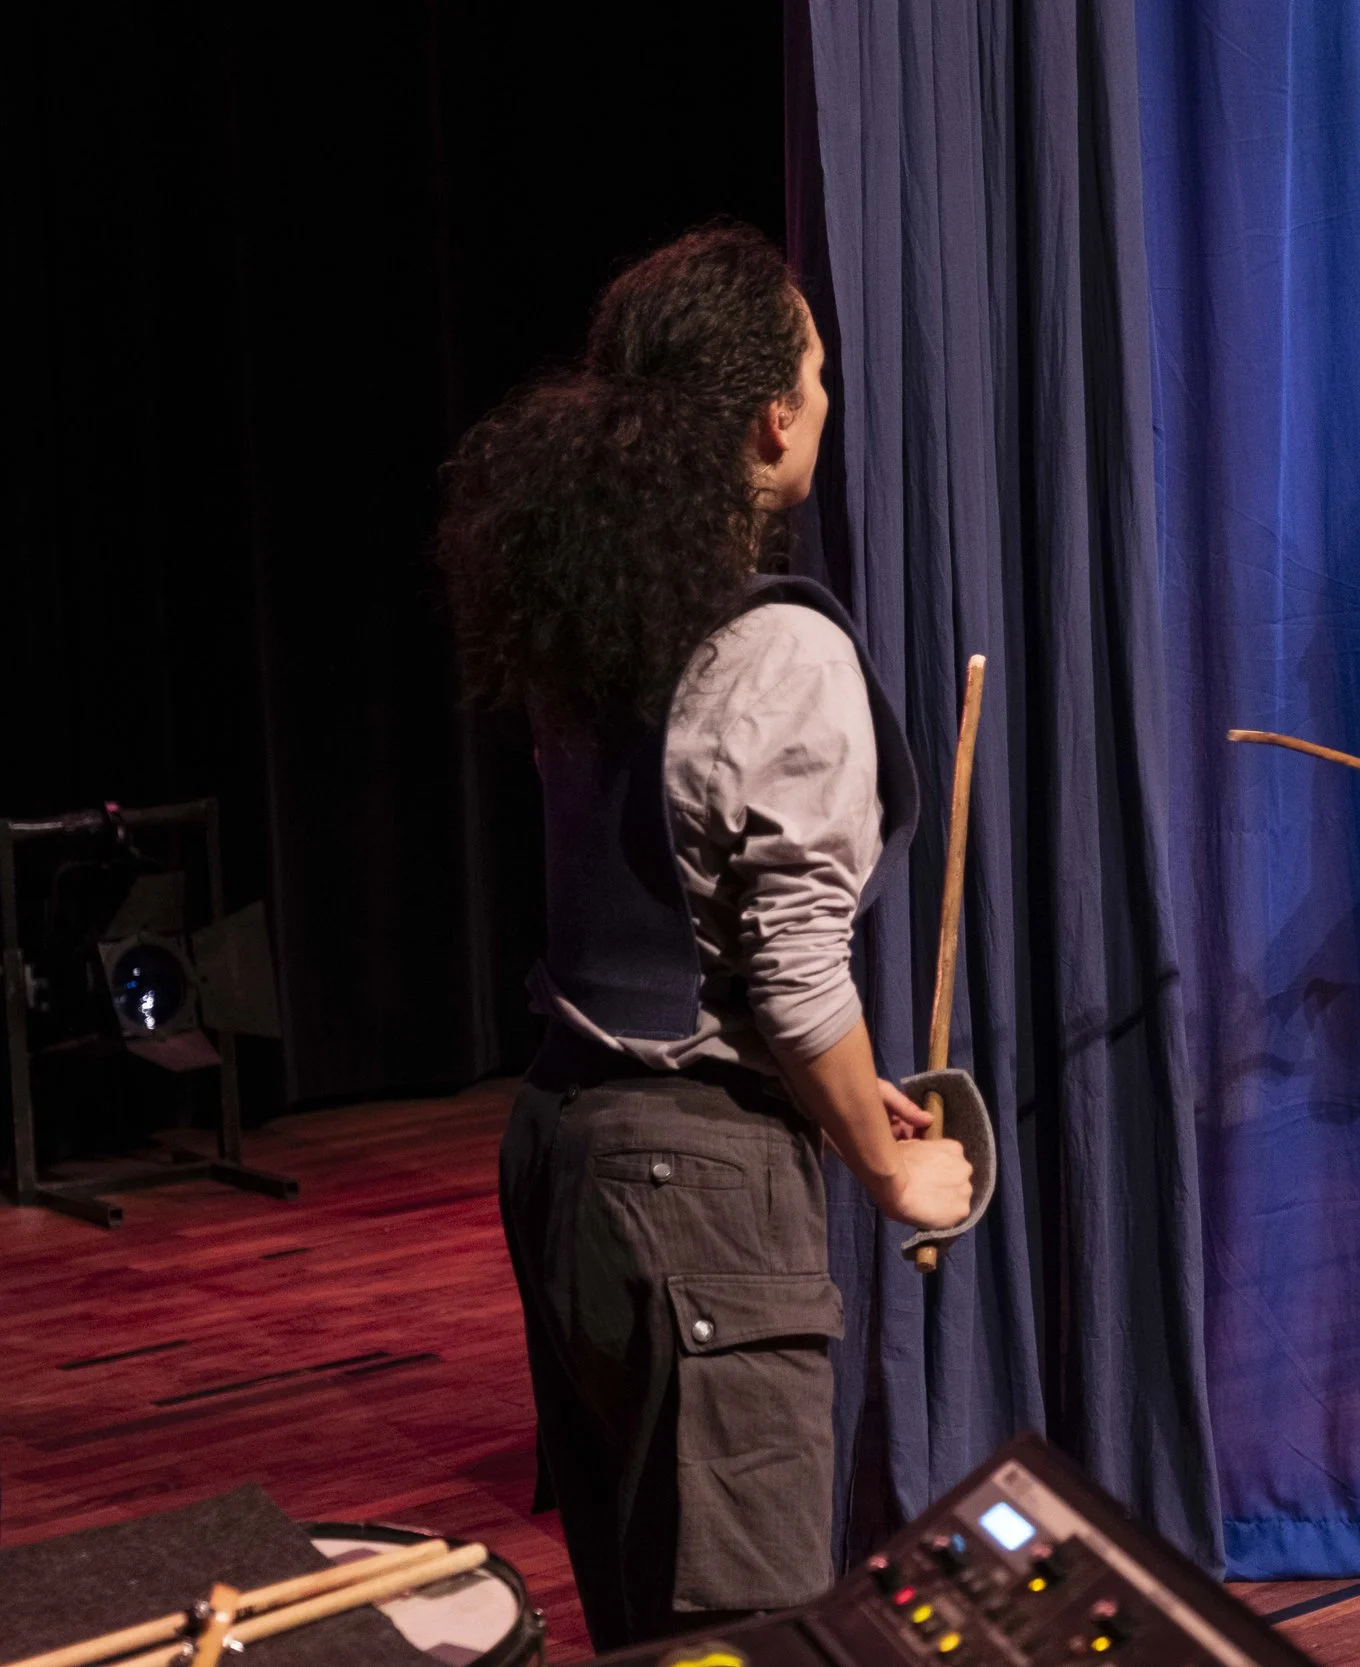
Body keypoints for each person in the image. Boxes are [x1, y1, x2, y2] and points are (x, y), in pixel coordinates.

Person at [437, 224, 974, 1650]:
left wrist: (859, 1100)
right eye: (819, 371)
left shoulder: (600, 617)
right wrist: (884, 1158)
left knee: (644, 1620)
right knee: (742, 1628)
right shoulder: (780, 647)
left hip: (567, 1146)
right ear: (773, 417)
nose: (825, 398)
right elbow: (791, 964)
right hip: (696, 1188)